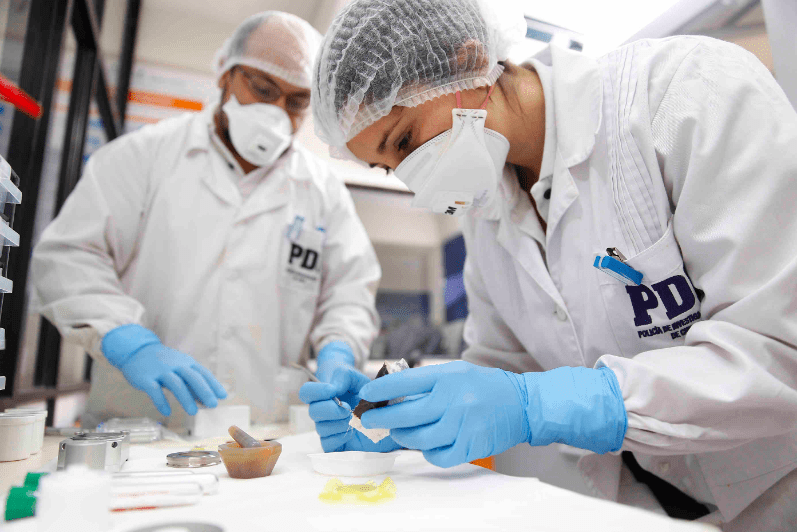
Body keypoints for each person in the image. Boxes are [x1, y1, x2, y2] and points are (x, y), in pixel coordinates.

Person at [301, 0, 797, 529]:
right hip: (642, 507)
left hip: (777, 495)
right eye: (388, 167)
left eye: (404, 140)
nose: (412, 179)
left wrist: (540, 404)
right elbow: (501, 368)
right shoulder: (486, 213)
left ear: (466, 60)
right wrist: (400, 415)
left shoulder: (684, 94)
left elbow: (776, 349)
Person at [31, 12, 380, 430]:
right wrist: (127, 340)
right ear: (225, 74)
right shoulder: (144, 155)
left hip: (265, 433)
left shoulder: (324, 191)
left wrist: (339, 349)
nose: (277, 113)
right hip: (145, 428)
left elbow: (349, 291)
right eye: (263, 89)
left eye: (297, 102)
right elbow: (69, 256)